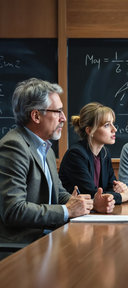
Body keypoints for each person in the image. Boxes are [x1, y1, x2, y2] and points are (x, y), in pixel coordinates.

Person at [0, 78, 101, 245]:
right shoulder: (14, 147)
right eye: (58, 111)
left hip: (48, 237)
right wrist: (67, 210)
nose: (64, 118)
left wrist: (88, 204)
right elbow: (13, 210)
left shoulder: (45, 147)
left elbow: (59, 194)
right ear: (36, 116)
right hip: (22, 246)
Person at [59, 102, 128, 206]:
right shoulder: (75, 155)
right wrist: (122, 196)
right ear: (90, 130)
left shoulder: (104, 154)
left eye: (112, 124)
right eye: (107, 125)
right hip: (75, 216)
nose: (114, 129)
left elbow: (112, 187)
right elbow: (92, 194)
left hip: (94, 213)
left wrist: (117, 189)